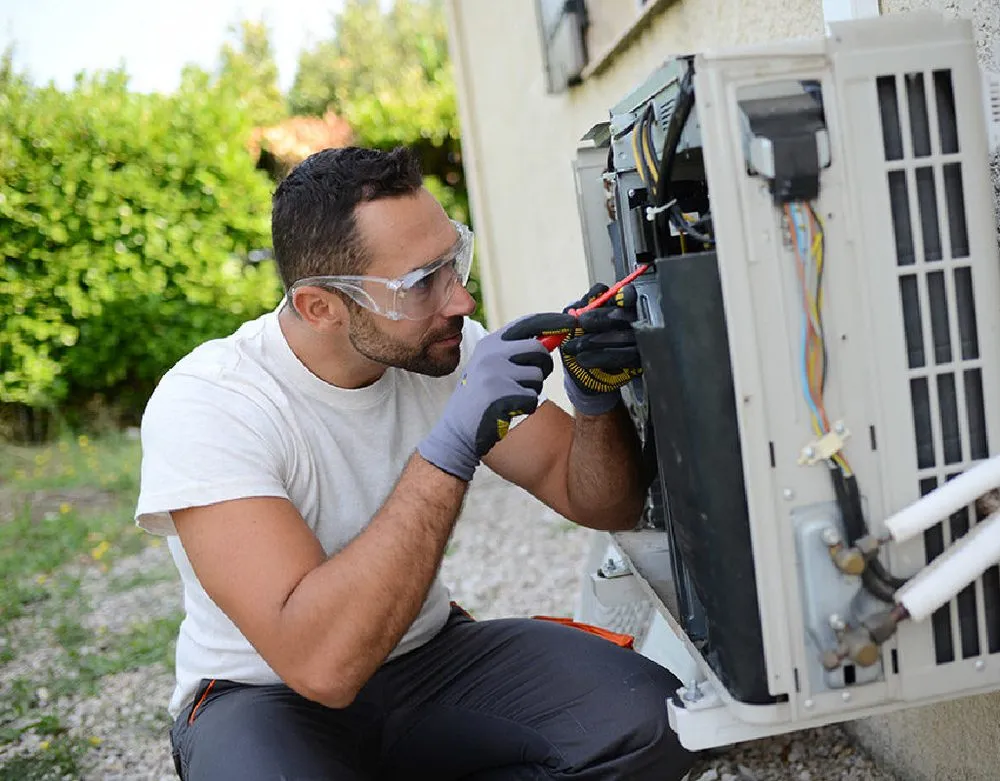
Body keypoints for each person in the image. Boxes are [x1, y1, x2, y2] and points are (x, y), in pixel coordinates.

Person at [136, 146, 694, 781]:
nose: (459, 299)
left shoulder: (444, 349)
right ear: (321, 306)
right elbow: (321, 666)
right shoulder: (212, 403)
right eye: (421, 283)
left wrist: (595, 399)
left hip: (430, 655)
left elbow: (602, 502)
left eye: (454, 261)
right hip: (263, 697)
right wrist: (451, 447)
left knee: (658, 722)